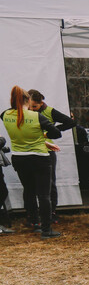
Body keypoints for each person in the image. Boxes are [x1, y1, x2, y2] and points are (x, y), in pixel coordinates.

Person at [2, 86, 62, 237]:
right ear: (28, 100)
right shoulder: (36, 117)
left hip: (19, 158)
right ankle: (46, 230)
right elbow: (56, 134)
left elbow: (14, 118)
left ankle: (35, 223)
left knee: (29, 191)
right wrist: (43, 137)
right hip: (39, 157)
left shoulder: (6, 114)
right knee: (44, 195)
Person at [26, 89, 75, 216]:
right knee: (30, 183)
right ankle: (33, 214)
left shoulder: (49, 111)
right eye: (30, 107)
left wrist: (51, 131)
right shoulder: (25, 112)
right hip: (29, 150)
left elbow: (70, 122)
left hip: (47, 151)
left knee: (50, 182)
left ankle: (52, 211)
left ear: (41, 103)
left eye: (35, 107)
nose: (32, 109)